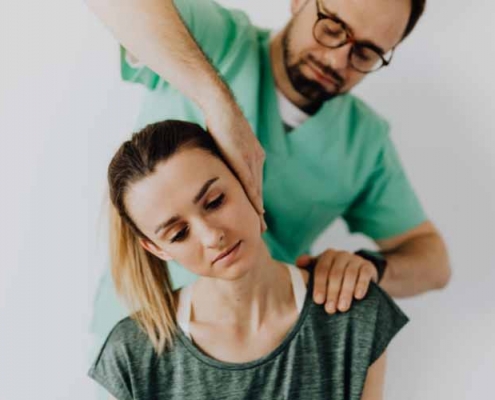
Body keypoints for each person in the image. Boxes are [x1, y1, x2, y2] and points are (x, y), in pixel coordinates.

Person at [86, 0, 450, 342]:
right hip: (147, 333)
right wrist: (217, 102)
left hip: (265, 352)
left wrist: (369, 269)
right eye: (333, 27)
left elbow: (434, 263)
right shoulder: (219, 41)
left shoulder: (364, 143)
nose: (338, 60)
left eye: (365, 52)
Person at [89, 120, 409, 400]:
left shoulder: (354, 316)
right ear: (158, 249)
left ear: (247, 180)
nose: (212, 236)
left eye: (215, 201)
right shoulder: (131, 354)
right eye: (178, 233)